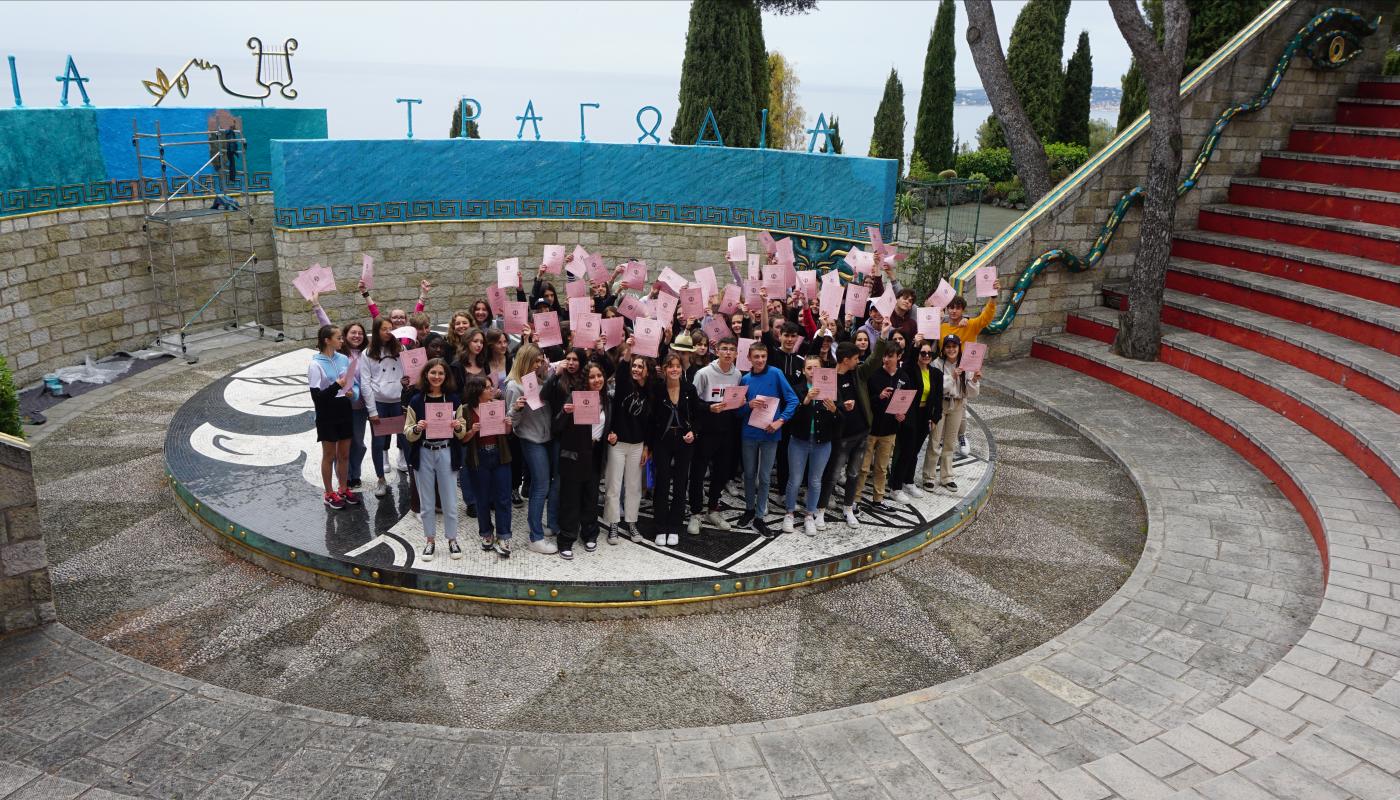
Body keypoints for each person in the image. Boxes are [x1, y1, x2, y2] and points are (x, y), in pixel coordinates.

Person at [402, 358, 469, 561]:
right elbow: (407, 431)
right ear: (426, 375)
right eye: (433, 373)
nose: (437, 377)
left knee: (449, 499)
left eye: (441, 373)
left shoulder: (454, 399)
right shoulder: (417, 400)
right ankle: (430, 540)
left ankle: (452, 539)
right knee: (427, 501)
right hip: (424, 452)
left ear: (446, 376)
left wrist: (457, 426)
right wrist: (417, 428)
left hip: (446, 451)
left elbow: (462, 430)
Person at [548, 355, 608, 559]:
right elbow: (556, 427)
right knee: (570, 500)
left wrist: (612, 436)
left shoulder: (607, 399)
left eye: (600, 376)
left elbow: (606, 426)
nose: (597, 380)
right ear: (585, 379)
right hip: (574, 456)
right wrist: (565, 412)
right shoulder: (574, 396)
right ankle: (566, 539)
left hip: (595, 454)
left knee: (591, 498)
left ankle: (590, 533)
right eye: (592, 377)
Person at [827, 336, 890, 527]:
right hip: (841, 436)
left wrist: (883, 338)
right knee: (833, 473)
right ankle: (824, 503)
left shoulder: (858, 374)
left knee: (854, 473)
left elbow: (874, 360)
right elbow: (825, 404)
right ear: (846, 360)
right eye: (855, 358)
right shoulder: (828, 377)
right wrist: (840, 406)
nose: (858, 361)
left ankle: (848, 507)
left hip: (861, 432)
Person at [737, 341, 798, 537]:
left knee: (764, 477)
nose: (760, 360)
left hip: (771, 433)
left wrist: (781, 421)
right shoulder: (745, 379)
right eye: (756, 356)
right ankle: (748, 509)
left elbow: (793, 400)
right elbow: (737, 410)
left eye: (763, 356)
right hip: (749, 434)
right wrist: (748, 405)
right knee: (748, 474)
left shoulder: (776, 373)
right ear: (749, 358)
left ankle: (760, 516)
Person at [506, 344, 559, 554]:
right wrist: (516, 408)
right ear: (526, 361)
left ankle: (539, 525)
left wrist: (547, 375)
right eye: (535, 361)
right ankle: (535, 538)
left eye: (541, 360)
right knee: (540, 486)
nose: (539, 364)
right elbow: (511, 422)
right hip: (531, 439)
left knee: (548, 483)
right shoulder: (514, 386)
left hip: (548, 438)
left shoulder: (541, 379)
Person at [689, 337, 743, 533]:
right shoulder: (703, 373)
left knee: (721, 473)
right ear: (717, 351)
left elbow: (734, 401)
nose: (728, 353)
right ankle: (695, 513)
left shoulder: (737, 374)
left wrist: (740, 402)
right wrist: (709, 408)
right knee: (697, 474)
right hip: (705, 430)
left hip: (727, 429)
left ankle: (713, 509)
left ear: (736, 353)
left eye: (731, 350)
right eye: (724, 349)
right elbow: (692, 403)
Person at [940, 280, 999, 455]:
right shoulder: (942, 327)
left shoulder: (971, 324)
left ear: (963, 310)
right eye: (950, 307)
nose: (953, 311)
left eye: (957, 308)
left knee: (961, 405)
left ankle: (962, 435)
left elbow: (985, 318)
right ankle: (943, 438)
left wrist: (993, 299)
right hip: (947, 368)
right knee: (944, 404)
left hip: (965, 369)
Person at [783, 355, 841, 535]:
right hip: (799, 441)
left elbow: (840, 422)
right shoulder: (797, 389)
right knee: (795, 479)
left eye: (816, 368)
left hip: (822, 443)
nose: (812, 372)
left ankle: (809, 515)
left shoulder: (831, 390)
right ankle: (789, 513)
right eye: (809, 368)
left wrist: (834, 411)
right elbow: (791, 417)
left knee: (815, 481)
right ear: (804, 370)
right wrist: (806, 400)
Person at [647, 353, 699, 545]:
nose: (674, 369)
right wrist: (649, 446)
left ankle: (675, 526)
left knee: (680, 483)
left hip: (684, 441)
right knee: (661, 482)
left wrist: (694, 432)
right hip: (662, 441)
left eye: (677, 366)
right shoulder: (657, 389)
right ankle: (660, 527)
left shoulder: (689, 389)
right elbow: (651, 420)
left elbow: (697, 416)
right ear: (665, 369)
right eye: (670, 366)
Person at [460, 375, 515, 557]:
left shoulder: (498, 405)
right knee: (482, 498)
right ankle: (486, 533)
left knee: (503, 497)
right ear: (477, 390)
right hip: (479, 457)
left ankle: (504, 535)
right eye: (487, 387)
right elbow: (462, 439)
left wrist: (508, 425)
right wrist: (472, 431)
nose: (491, 390)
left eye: (491, 387)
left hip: (500, 455)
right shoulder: (466, 410)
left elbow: (506, 434)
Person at [308, 324, 360, 509]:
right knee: (329, 455)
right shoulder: (315, 364)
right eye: (338, 337)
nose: (342, 340)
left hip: (344, 408)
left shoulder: (344, 359)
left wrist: (352, 393)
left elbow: (352, 384)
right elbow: (317, 399)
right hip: (327, 412)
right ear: (327, 340)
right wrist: (337, 386)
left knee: (344, 454)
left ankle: (343, 488)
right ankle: (329, 493)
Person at [853, 336, 908, 510]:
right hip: (871, 429)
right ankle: (855, 500)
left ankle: (878, 499)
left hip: (890, 430)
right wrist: (880, 397)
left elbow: (907, 401)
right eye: (884, 355)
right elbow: (865, 399)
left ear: (898, 357)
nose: (886, 359)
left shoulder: (904, 377)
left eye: (890, 356)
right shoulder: (874, 374)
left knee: (882, 468)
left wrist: (902, 414)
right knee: (862, 468)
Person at [603, 351, 651, 544]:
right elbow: (621, 371)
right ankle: (613, 524)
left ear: (647, 371)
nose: (636, 369)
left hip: (638, 445)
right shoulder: (623, 385)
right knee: (613, 485)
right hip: (618, 443)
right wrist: (627, 355)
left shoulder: (650, 390)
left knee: (633, 486)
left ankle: (631, 522)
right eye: (634, 366)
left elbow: (651, 422)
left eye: (641, 366)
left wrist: (647, 446)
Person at [887, 340, 942, 503]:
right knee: (906, 450)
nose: (926, 356)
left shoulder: (936, 374)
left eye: (929, 354)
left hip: (925, 415)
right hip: (910, 414)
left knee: (915, 451)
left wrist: (935, 417)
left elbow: (938, 398)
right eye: (922, 353)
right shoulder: (910, 369)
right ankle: (895, 487)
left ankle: (908, 481)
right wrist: (915, 344)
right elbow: (909, 360)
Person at [360, 317, 407, 498]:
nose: (388, 332)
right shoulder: (367, 353)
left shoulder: (401, 349)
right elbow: (365, 383)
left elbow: (408, 372)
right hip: (380, 403)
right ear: (377, 331)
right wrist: (372, 410)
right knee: (379, 443)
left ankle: (412, 471)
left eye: (390, 328)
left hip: (398, 402)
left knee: (405, 439)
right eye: (384, 329)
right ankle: (380, 478)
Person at [930, 334, 981, 491]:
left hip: (958, 404)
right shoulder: (937, 364)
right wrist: (951, 377)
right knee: (935, 440)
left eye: (954, 346)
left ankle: (947, 477)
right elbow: (936, 388)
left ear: (959, 348)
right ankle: (929, 476)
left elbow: (972, 393)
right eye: (948, 347)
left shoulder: (966, 365)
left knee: (950, 442)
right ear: (943, 349)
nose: (951, 349)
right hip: (941, 403)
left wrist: (974, 380)